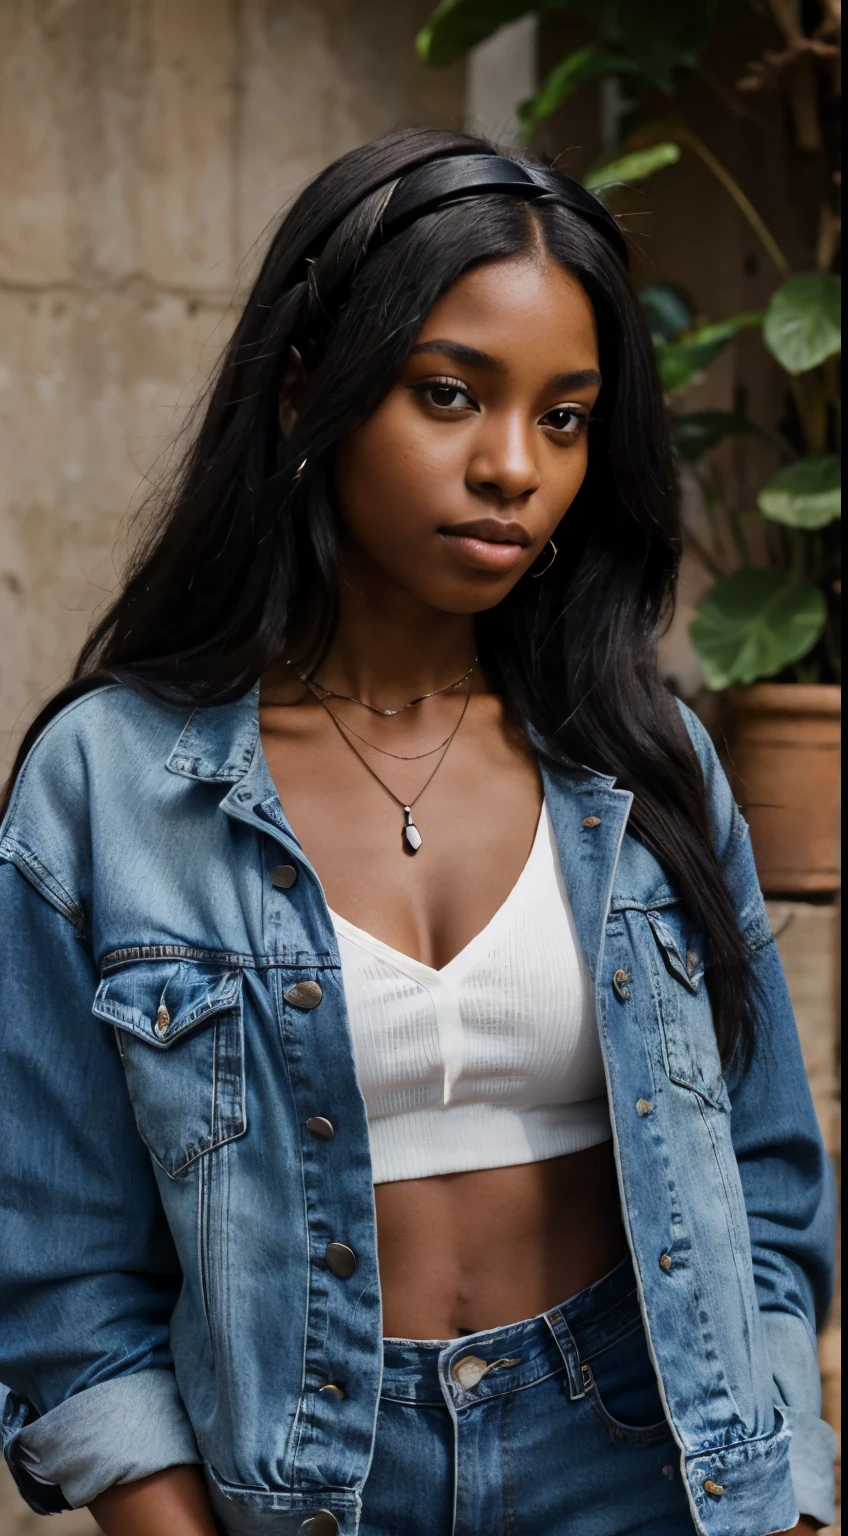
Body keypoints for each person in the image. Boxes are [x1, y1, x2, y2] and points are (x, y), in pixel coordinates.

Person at [0, 128, 835, 1536]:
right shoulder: (109, 785)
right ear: (301, 394)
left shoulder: (647, 763)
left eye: (564, 417)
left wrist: (788, 1496)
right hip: (310, 1487)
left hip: (645, 1457)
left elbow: (764, 1184)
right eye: (450, 395)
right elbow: (65, 1270)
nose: (513, 465)